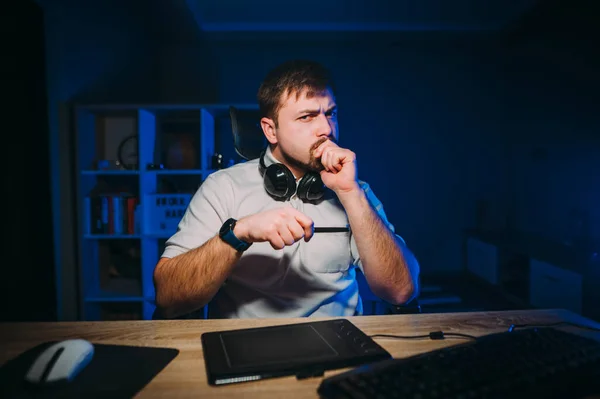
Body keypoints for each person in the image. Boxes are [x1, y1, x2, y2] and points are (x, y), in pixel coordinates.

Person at [153, 60, 420, 319]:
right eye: (307, 117)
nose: (326, 129)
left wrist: (350, 193)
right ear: (271, 131)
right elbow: (168, 296)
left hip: (338, 345)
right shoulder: (223, 187)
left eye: (331, 113)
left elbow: (401, 292)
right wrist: (238, 232)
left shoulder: (355, 190)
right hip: (248, 350)